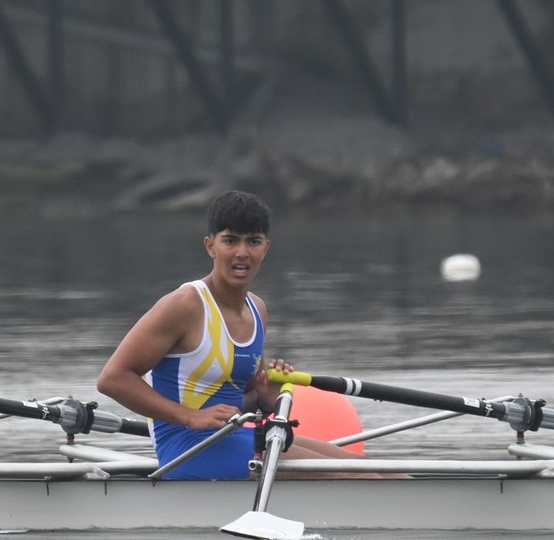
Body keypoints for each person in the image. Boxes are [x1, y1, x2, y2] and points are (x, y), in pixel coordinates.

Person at [97, 190, 363, 479]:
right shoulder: (185, 304)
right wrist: (190, 416)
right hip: (188, 449)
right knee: (347, 475)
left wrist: (266, 398)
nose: (242, 253)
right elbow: (113, 378)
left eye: (253, 241)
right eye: (230, 240)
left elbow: (242, 398)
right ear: (210, 246)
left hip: (236, 438)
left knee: (371, 469)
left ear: (266, 248)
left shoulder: (257, 309)